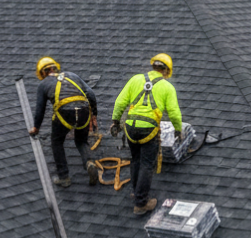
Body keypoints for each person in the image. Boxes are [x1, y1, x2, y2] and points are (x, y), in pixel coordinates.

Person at [110, 53, 182, 215]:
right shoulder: (167, 87)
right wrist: (178, 129)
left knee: (135, 160)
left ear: (153, 66)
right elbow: (174, 113)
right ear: (166, 71)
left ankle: (136, 192)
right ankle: (141, 203)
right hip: (148, 130)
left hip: (130, 127)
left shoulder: (135, 79)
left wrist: (116, 121)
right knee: (147, 164)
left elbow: (120, 102)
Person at [30, 57, 99, 188]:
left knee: (57, 141)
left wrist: (36, 128)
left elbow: (40, 110)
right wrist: (94, 114)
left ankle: (64, 177)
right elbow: (90, 94)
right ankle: (89, 163)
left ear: (43, 73)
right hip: (84, 110)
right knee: (81, 141)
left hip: (65, 113)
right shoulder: (72, 75)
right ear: (56, 68)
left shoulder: (43, 84)